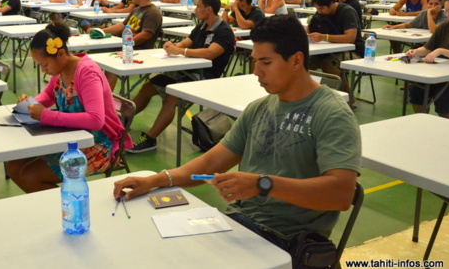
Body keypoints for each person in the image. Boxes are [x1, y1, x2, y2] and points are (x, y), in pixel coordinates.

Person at [114, 15, 360, 255]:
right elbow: (211, 163)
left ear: (296, 60)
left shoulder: (331, 114)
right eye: (255, 62)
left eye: (266, 63)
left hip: (287, 241)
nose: (256, 72)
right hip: (241, 223)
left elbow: (340, 194)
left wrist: (262, 184)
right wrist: (156, 180)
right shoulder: (260, 108)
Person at [7, 22, 131, 193]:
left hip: (98, 144)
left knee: (31, 176)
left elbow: (95, 120)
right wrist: (30, 104)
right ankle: (47, 206)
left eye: (45, 65)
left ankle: (65, 212)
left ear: (61, 54)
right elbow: (49, 95)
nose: (44, 70)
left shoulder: (87, 73)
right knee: (14, 165)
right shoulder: (60, 69)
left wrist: (45, 115)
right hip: (72, 136)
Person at [127, 0, 235, 153]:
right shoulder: (201, 27)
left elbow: (210, 53)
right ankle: (121, 123)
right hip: (185, 73)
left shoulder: (224, 31)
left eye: (198, 6)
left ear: (209, 9)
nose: (195, 9)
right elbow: (186, 43)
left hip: (204, 78)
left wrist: (181, 51)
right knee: (148, 87)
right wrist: (173, 46)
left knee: (172, 95)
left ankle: (150, 139)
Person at [94, 0, 162, 88]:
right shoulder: (136, 10)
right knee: (94, 53)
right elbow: (122, 26)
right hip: (128, 45)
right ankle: (96, 90)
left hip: (139, 49)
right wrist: (102, 31)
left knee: (109, 61)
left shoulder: (152, 12)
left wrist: (125, 45)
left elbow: (145, 35)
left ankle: (105, 97)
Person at [406, 0, 449, 120]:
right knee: (416, 90)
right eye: (446, 11)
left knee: (442, 97)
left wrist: (441, 50)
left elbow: (438, 50)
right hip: (442, 74)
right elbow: (428, 48)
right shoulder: (445, 27)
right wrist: (416, 52)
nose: (447, 15)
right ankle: (423, 122)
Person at [308, 0, 364, 92]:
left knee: (328, 64)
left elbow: (350, 38)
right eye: (317, 9)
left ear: (331, 3)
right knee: (301, 62)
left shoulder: (347, 11)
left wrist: (324, 37)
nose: (319, 11)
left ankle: (346, 97)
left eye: (321, 8)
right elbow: (311, 28)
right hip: (328, 50)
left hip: (353, 51)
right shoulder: (321, 12)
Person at [383, 0, 447, 33]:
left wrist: (429, 13)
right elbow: (411, 24)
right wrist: (394, 26)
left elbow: (433, 30)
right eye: (430, 3)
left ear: (442, 5)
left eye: (436, 4)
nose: (433, 6)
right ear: (427, 4)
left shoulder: (444, 15)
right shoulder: (423, 13)